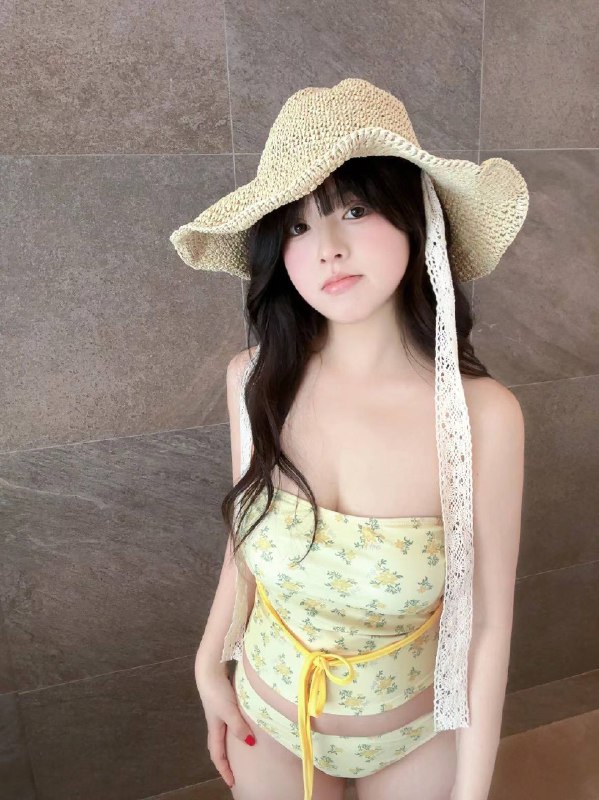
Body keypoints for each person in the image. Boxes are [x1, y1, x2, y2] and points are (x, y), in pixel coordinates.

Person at [170, 79, 527, 800]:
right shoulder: (254, 380)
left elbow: (487, 627)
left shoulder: (482, 417)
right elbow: (246, 542)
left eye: (355, 210)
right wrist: (209, 663)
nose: (327, 249)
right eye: (297, 227)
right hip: (266, 718)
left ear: (416, 218)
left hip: (416, 733)